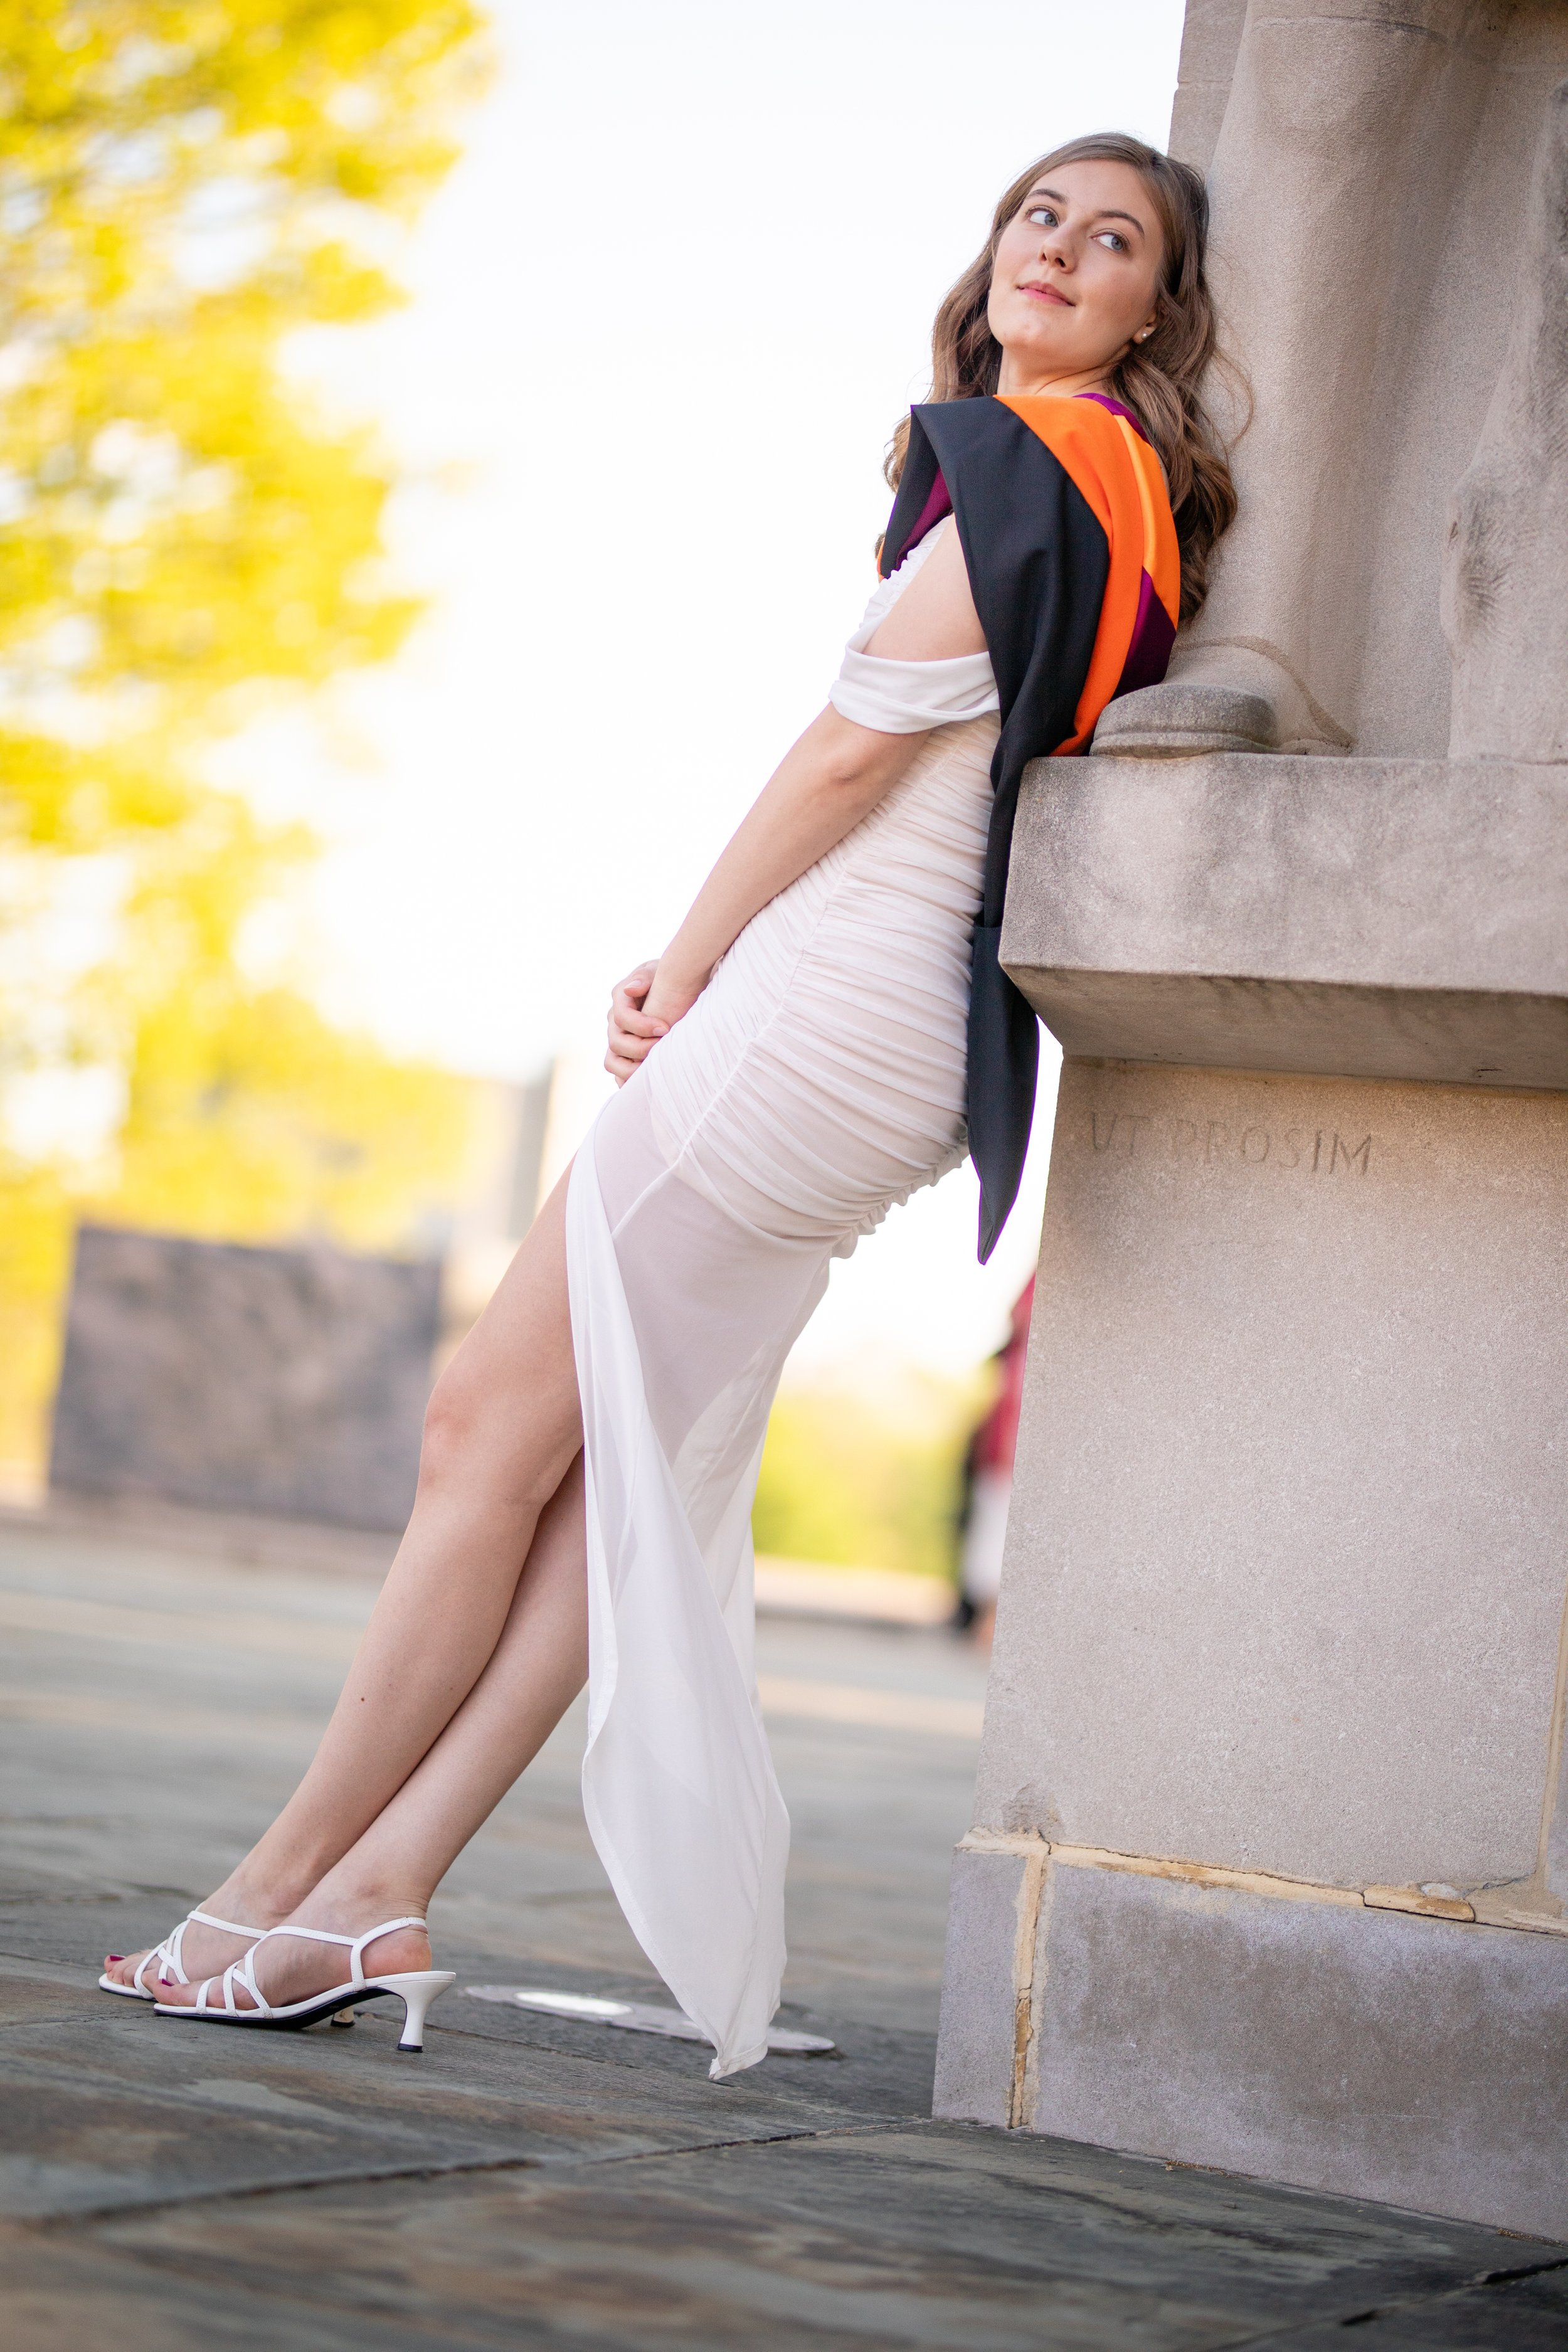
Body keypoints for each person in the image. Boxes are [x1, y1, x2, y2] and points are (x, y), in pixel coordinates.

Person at [103, 133, 1236, 2077]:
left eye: (1108, 237)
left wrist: (682, 957)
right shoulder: (1136, 501)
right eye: (1034, 214)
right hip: (902, 1050)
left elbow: (840, 759)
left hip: (810, 1010)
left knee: (484, 1425)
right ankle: (370, 1890)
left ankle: (273, 1885)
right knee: (608, 1479)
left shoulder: (1027, 459)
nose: (1054, 248)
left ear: (1153, 308)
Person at [956, 1276, 1034, 1651]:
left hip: (1016, 1457)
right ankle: (987, 1622)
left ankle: (991, 1624)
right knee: (993, 1540)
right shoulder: (1015, 1363)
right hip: (1003, 1457)